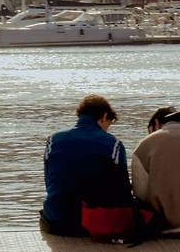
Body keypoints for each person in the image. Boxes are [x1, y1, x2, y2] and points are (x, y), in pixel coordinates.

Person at [41, 94, 132, 237]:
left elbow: (49, 180)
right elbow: (124, 188)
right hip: (97, 223)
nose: (107, 129)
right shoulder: (113, 144)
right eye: (108, 123)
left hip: (57, 220)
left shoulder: (53, 140)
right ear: (104, 116)